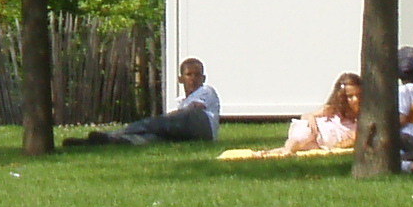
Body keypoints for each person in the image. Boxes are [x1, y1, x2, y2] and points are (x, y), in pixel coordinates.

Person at [80, 58, 221, 147]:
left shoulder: (206, 90)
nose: (193, 78)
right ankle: (111, 141)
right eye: (189, 74)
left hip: (203, 127)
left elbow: (194, 109)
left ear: (204, 78)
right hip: (186, 133)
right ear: (180, 79)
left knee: (157, 123)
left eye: (197, 75)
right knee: (155, 137)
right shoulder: (180, 101)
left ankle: (112, 134)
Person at [221, 73, 360, 159]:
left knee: (303, 148)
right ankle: (286, 151)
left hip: (324, 143)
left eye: (358, 96)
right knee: (302, 136)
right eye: (350, 97)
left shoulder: (361, 118)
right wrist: (312, 120)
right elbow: (308, 116)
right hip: (318, 134)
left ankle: (269, 153)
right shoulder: (331, 110)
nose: (355, 100)